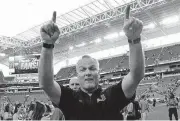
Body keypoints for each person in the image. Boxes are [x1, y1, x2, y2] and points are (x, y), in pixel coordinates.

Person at [39, 5, 145, 120]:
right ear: (77, 75)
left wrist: (135, 40)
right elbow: (46, 83)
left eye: (92, 68)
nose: (88, 72)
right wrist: (47, 45)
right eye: (82, 69)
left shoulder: (112, 95)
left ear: (98, 74)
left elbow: (136, 75)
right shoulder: (69, 98)